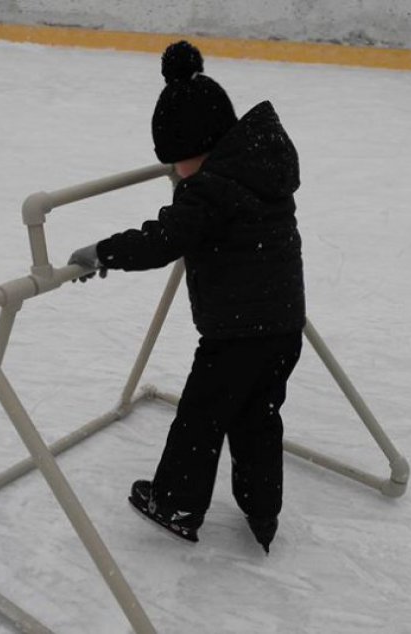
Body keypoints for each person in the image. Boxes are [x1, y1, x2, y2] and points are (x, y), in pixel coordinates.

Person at [67, 41, 305, 553]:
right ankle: (263, 509)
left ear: (203, 145)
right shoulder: (259, 163)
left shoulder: (213, 189)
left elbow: (162, 240)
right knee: (258, 417)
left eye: (179, 161)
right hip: (283, 323)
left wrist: (102, 252)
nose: (175, 172)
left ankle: (175, 503)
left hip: (236, 334)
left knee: (201, 417)